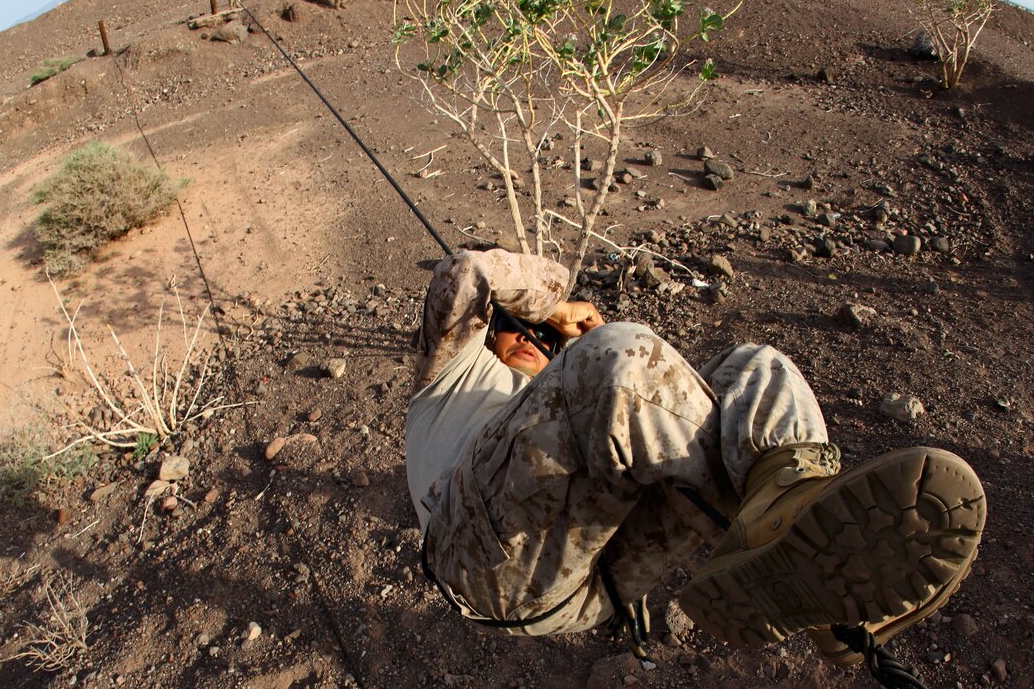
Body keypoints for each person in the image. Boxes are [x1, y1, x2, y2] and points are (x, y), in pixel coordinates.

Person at [407, 248, 985, 666]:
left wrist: (578, 356)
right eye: (513, 327)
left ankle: (812, 563)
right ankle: (785, 527)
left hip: (587, 588)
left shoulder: (562, 398)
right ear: (485, 333)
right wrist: (555, 306)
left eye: (547, 339)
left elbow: (642, 401)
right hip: (470, 547)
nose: (533, 338)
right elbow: (469, 272)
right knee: (620, 357)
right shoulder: (451, 371)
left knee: (759, 370)